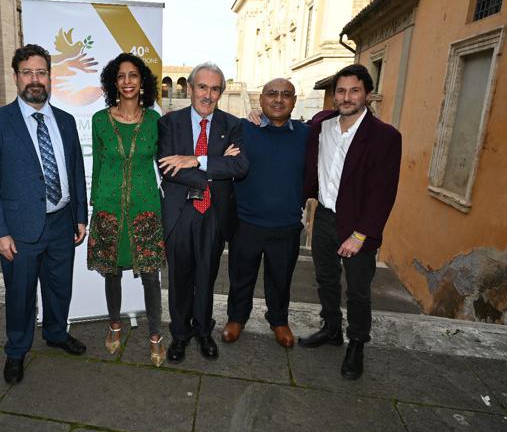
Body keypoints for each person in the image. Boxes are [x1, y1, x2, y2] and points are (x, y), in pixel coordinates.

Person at [0, 44, 88, 384]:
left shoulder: (66, 122)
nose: (35, 79)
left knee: (59, 287)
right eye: (27, 73)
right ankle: (16, 351)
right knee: (20, 294)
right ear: (16, 78)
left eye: (41, 72)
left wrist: (80, 216)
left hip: (61, 223)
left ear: (50, 78)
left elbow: (75, 169)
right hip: (19, 229)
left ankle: (55, 333)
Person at [299, 64, 402, 380]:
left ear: (367, 94)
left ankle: (356, 341)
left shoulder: (385, 136)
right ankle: (331, 328)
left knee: (357, 289)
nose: (346, 97)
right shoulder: (322, 124)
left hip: (358, 226)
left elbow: (383, 193)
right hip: (325, 217)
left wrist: (361, 234)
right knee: (325, 279)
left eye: (354, 90)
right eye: (341, 91)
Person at [157, 62, 249, 363]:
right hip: (182, 212)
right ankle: (180, 335)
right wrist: (215, 163)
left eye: (214, 89)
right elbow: (169, 169)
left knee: (207, 277)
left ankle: (204, 331)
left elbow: (240, 166)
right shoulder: (170, 123)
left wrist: (196, 159)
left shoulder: (233, 125)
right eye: (202, 87)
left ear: (221, 92)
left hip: (214, 214)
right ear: (190, 88)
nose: (207, 95)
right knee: (180, 278)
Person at [87, 53, 166, 366]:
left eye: (133, 75)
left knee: (150, 276)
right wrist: (94, 206)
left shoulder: (155, 121)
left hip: (146, 207)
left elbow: (168, 161)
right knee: (111, 273)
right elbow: (97, 166)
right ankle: (114, 325)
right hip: (108, 207)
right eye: (121, 76)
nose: (127, 81)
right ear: (113, 82)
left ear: (142, 81)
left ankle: (156, 336)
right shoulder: (98, 120)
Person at [223, 78, 309, 348]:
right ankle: (236, 319)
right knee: (240, 276)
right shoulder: (243, 128)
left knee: (281, 279)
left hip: (286, 225)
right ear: (261, 100)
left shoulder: (307, 134)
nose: (278, 99)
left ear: (294, 102)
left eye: (286, 94)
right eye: (272, 93)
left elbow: (336, 119)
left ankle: (279, 320)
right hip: (246, 222)